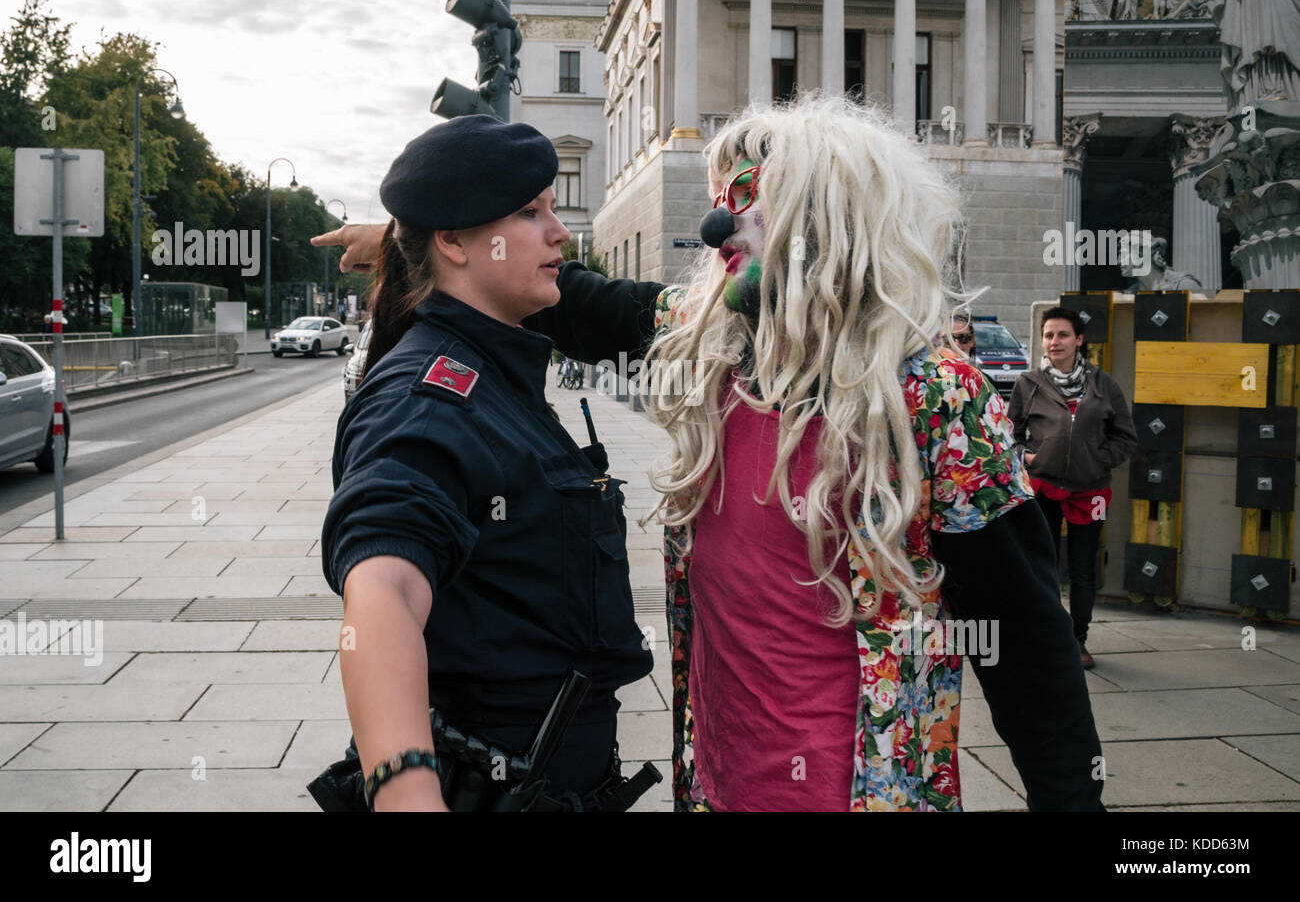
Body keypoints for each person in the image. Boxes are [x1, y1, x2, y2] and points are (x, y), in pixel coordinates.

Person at [321, 96, 1107, 812]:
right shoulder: (719, 348)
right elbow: (583, 301)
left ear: (825, 224)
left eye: (748, 204)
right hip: (715, 791)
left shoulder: (933, 396)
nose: (716, 230)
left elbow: (1029, 653)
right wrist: (417, 238)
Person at [311, 115, 656, 812]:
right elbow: (383, 590)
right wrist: (405, 789)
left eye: (554, 208)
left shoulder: (492, 368)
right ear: (452, 242)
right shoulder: (429, 397)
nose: (561, 232)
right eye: (531, 212)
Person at [1008, 306, 1138, 670]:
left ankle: (1078, 639)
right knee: (1042, 566)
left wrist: (1096, 460)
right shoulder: (1028, 384)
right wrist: (1030, 459)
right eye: (1049, 335)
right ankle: (1047, 637)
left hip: (1091, 491)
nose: (1054, 342)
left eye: (1063, 334)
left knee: (1083, 569)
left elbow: (1126, 438)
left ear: (1079, 340)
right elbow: (1007, 437)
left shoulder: (1103, 385)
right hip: (1043, 488)